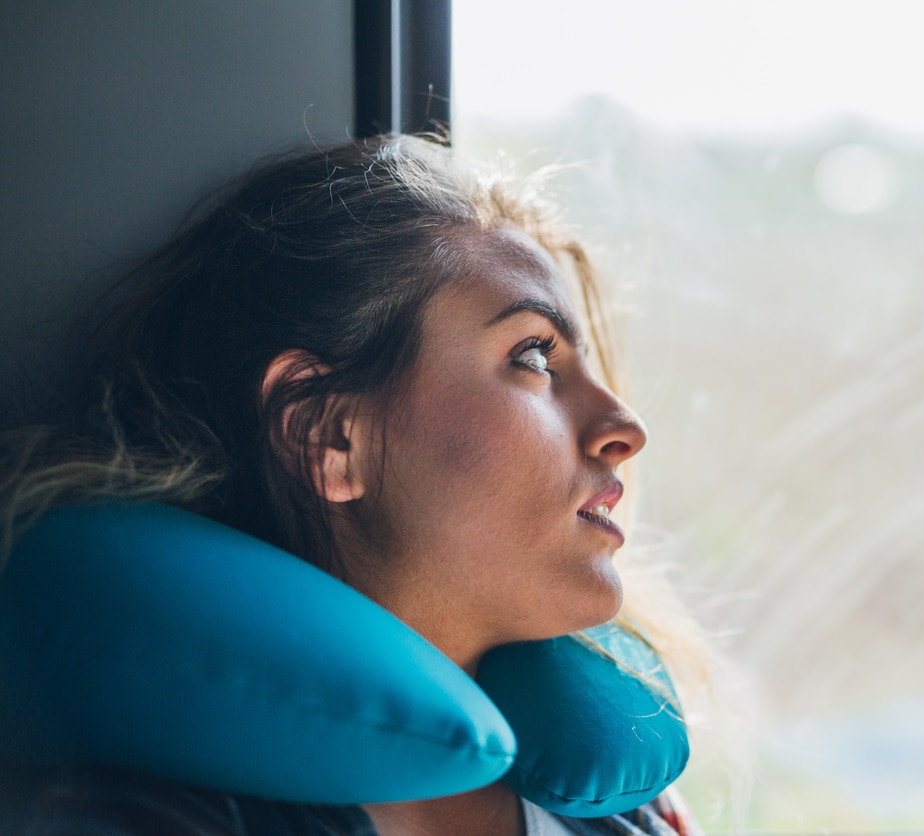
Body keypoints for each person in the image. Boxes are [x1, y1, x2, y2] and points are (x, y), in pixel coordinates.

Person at [0, 135, 703, 835]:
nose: (624, 426)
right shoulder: (138, 819)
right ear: (328, 435)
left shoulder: (635, 812)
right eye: (533, 357)